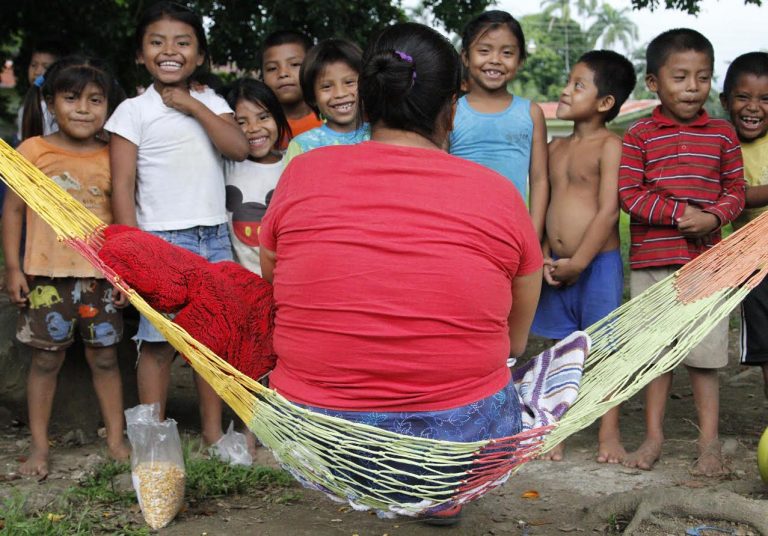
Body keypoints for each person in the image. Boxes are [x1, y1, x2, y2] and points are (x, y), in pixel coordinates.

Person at [258, 22, 542, 524]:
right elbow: (513, 337)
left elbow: (274, 283)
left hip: (314, 431)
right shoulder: (497, 192)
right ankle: (439, 491)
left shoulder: (303, 173)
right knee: (537, 374)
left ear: (366, 100)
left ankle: (413, 486)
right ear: (451, 107)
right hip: (462, 437)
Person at [105, 1, 248, 446]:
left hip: (214, 237)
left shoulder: (211, 101)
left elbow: (238, 147)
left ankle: (212, 436)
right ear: (140, 54)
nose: (170, 50)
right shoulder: (133, 110)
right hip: (160, 242)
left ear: (200, 55)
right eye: (157, 41)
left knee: (212, 344)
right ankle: (150, 445)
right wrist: (131, 258)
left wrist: (192, 106)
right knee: (158, 343)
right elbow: (122, 186)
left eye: (183, 42)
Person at [619, 28, 746, 475]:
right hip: (652, 263)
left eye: (703, 77)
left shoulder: (723, 134)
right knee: (655, 355)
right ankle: (653, 438)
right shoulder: (638, 136)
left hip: (707, 265)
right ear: (653, 82)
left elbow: (735, 191)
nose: (693, 87)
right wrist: (679, 214)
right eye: (680, 77)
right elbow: (629, 194)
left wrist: (712, 219)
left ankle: (708, 445)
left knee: (705, 358)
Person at [1, 56, 129, 477]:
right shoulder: (33, 151)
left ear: (109, 107)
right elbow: (14, 213)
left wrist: (125, 273)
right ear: (50, 102)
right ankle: (39, 447)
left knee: (106, 359)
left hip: (101, 277)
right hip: (45, 278)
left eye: (95, 100)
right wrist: (14, 269)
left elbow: (126, 216)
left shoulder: (116, 153)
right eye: (71, 98)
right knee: (44, 361)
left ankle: (115, 438)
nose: (83, 108)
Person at [533, 50, 635, 463]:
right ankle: (557, 429)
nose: (565, 89)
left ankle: (608, 434)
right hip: (555, 266)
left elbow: (609, 210)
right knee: (560, 350)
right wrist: (542, 255)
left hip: (597, 267)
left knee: (604, 350)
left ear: (605, 103)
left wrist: (580, 262)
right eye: (568, 81)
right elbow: (543, 202)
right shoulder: (554, 147)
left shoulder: (611, 145)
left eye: (578, 85)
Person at [448, 10, 548, 238]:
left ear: (520, 60)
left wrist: (533, 234)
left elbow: (540, 179)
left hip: (512, 232)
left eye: (507, 53)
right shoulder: (451, 110)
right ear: (465, 57)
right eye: (484, 51)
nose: (495, 60)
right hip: (460, 231)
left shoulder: (531, 113)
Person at [720, 52, 768, 399]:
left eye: (765, 99)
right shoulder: (720, 143)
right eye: (743, 96)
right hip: (754, 265)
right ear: (725, 101)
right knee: (767, 350)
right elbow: (730, 196)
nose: (754, 107)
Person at [224, 78, 289, 275]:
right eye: (241, 122)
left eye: (263, 117)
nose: (253, 128)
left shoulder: (293, 161)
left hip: (284, 281)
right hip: (242, 286)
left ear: (278, 118)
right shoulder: (225, 165)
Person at [284, 38, 370, 164]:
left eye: (349, 82)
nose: (340, 94)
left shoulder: (381, 136)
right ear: (312, 96)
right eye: (326, 86)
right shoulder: (301, 146)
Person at [261, 30, 321, 144]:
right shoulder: (257, 130)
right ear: (262, 76)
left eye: (295, 64)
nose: (283, 73)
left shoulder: (332, 120)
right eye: (272, 68)